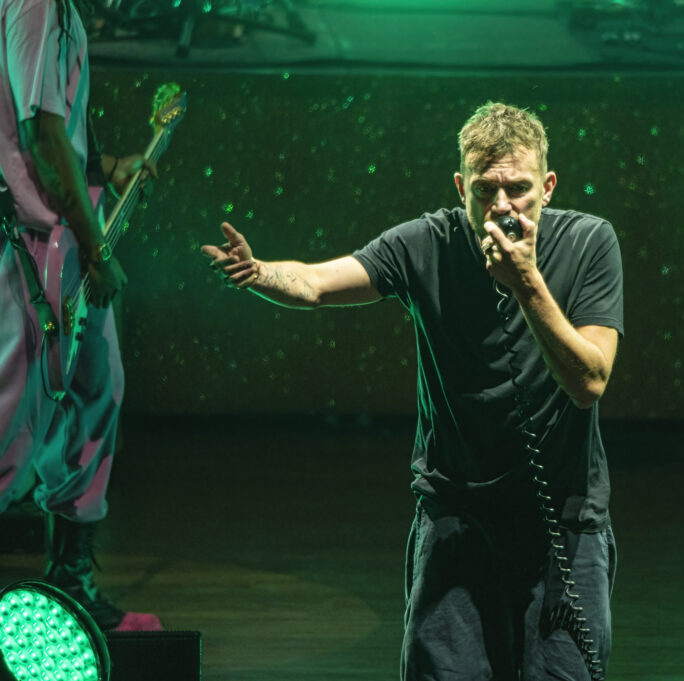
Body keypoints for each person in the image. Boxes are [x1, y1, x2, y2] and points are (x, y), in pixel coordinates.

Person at [203, 102, 623, 680]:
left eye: (519, 189)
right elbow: (318, 283)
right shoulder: (427, 242)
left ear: (547, 187)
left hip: (564, 525)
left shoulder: (589, 242)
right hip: (456, 519)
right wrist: (260, 273)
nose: (502, 206)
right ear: (462, 187)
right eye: (485, 190)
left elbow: (589, 381)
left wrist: (525, 281)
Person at [0, 0, 161, 631]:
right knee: (14, 426)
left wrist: (105, 168)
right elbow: (40, 134)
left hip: (64, 237)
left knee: (95, 395)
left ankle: (70, 583)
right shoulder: (37, 3)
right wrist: (96, 249)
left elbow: (53, 128)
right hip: (36, 245)